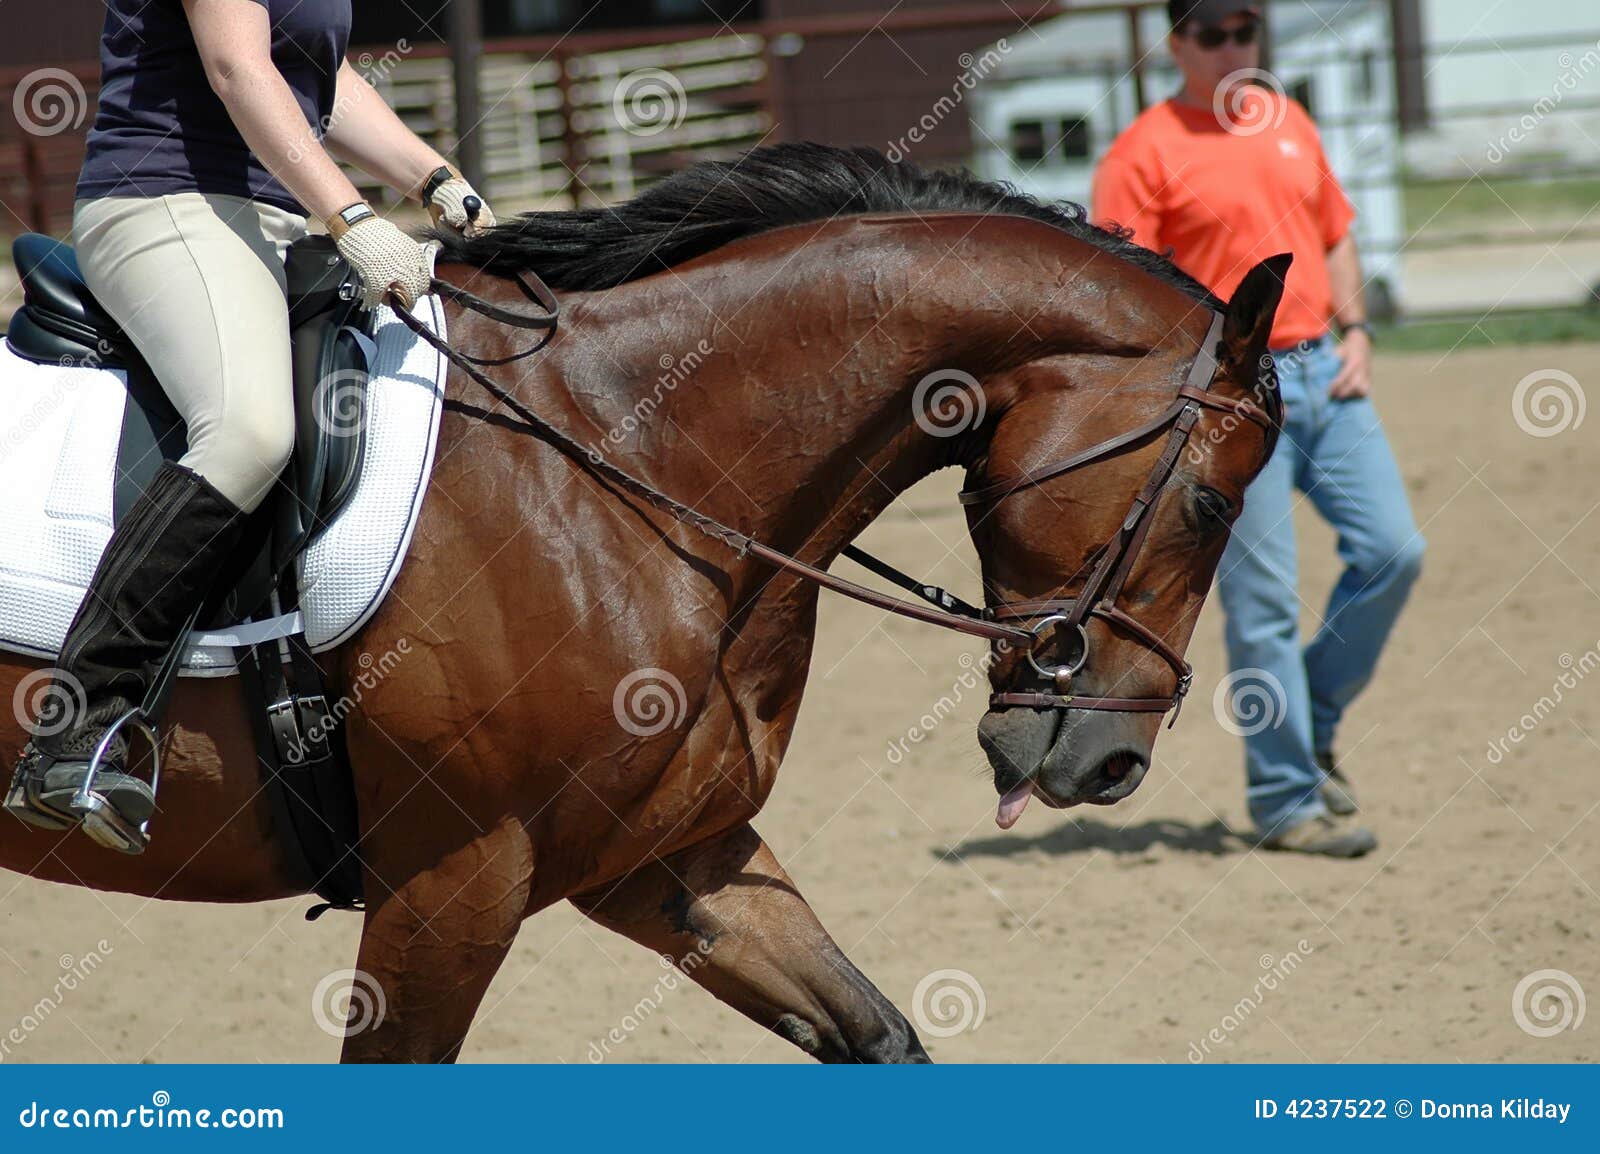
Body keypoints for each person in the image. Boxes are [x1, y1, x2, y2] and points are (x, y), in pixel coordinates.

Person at [6, 0, 497, 845]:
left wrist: (436, 182)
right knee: (249, 429)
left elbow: (320, 79)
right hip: (164, 203)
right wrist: (352, 215)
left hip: (267, 222)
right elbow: (239, 69)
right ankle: (78, 725)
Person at [1091, 0, 1423, 857]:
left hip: (1326, 372)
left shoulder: (1287, 119)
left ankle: (1310, 720)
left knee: (1393, 551)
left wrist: (1358, 330)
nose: (1233, 47)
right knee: (1262, 601)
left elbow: (1335, 233)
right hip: (1233, 398)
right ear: (1177, 45)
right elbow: (1124, 290)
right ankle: (1286, 802)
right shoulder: (1143, 153)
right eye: (1212, 35)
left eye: (1244, 31)